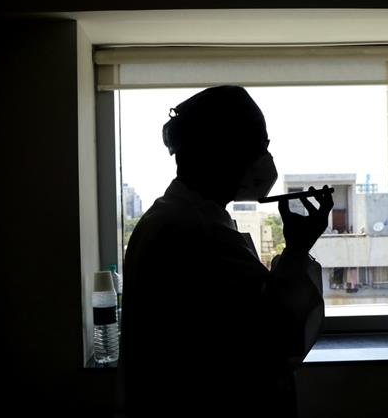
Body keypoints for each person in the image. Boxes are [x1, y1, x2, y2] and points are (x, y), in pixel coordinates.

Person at [118, 85, 333, 418]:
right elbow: (277, 337)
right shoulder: (197, 233)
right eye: (260, 147)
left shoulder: (171, 217)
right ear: (224, 152)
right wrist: (297, 249)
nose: (265, 159)